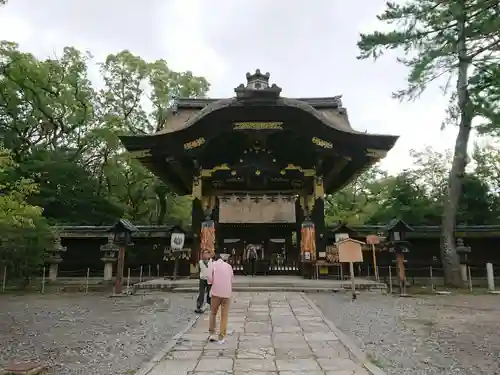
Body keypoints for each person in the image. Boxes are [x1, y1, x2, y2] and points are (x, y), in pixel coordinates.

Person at [207, 252, 234, 344]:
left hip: (216, 292)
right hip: (227, 293)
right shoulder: (228, 266)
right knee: (224, 315)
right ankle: (221, 336)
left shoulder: (212, 264)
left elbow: (209, 279)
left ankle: (212, 334)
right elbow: (231, 278)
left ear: (213, 259)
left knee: (213, 312)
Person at [195, 249, 212, 313]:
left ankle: (208, 304)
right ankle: (199, 305)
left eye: (206, 253)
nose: (205, 254)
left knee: (209, 293)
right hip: (202, 279)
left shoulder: (211, 261)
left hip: (209, 279)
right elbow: (199, 270)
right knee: (201, 293)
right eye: (204, 253)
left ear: (209, 254)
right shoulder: (200, 262)